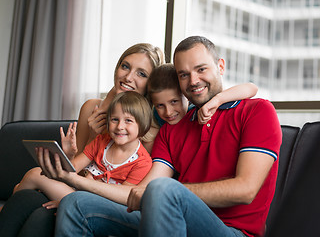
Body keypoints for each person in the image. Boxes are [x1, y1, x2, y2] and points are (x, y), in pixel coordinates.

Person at [39, 36, 281, 237]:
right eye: (184, 74)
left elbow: (245, 190)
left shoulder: (257, 111)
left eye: (201, 69)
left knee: (163, 189)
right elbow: (140, 191)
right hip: (174, 221)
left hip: (232, 232)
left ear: (220, 66)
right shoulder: (172, 130)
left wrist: (166, 193)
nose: (193, 80)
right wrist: (74, 180)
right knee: (76, 205)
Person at [0, 42, 164, 237]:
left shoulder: (149, 132)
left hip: (100, 202)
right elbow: (77, 166)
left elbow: (129, 195)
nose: (128, 77)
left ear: (150, 84)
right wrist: (77, 148)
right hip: (74, 187)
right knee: (24, 199)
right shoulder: (92, 109)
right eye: (125, 66)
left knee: (38, 215)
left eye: (141, 73)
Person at [10, 91, 152, 210]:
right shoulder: (102, 141)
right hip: (77, 193)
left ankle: (12, 202)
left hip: (101, 205)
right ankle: (13, 202)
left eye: (128, 121)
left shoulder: (143, 162)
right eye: (115, 119)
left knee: (33, 177)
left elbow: (120, 201)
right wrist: (68, 155)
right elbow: (72, 171)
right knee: (34, 174)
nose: (120, 126)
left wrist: (67, 202)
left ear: (143, 125)